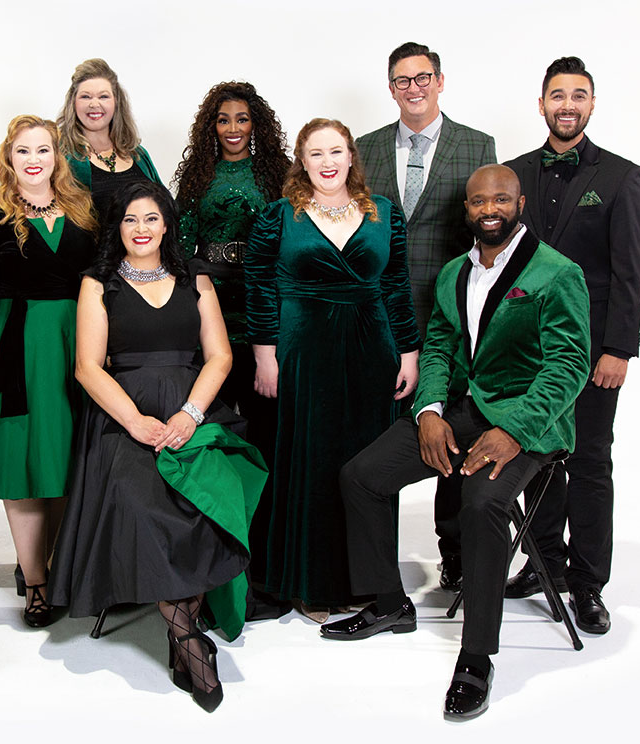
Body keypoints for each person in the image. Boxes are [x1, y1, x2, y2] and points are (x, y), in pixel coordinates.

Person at [321, 165, 590, 721]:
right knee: (361, 476)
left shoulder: (557, 272)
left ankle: (477, 656)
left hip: (533, 423)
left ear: (519, 204)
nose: (489, 209)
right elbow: (440, 347)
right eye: (478, 201)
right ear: (466, 209)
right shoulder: (453, 274)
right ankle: (389, 602)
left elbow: (568, 366)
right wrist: (429, 412)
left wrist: (513, 431)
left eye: (501, 199)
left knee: (483, 502)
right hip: (467, 409)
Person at [49, 182, 266, 713]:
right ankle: (190, 639)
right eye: (130, 220)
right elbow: (87, 367)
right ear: (117, 228)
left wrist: (190, 415)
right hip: (122, 416)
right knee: (144, 506)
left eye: (150, 218)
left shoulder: (196, 277)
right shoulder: (98, 283)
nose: (141, 229)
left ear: (167, 223)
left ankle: (181, 634)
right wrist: (136, 422)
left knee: (208, 498)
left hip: (194, 410)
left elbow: (219, 356)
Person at [246, 118, 420, 620]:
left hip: (372, 352)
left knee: (366, 463)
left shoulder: (384, 213)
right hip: (302, 352)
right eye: (316, 153)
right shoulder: (279, 215)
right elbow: (259, 286)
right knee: (311, 462)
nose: (327, 162)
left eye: (336, 151)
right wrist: (264, 355)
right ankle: (311, 583)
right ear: (302, 161)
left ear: (350, 157)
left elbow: (396, 286)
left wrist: (409, 353)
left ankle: (367, 581)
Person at [502, 57, 640, 635]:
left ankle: (588, 583)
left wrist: (619, 349)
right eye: (558, 95)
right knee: (536, 459)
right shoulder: (513, 173)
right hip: (527, 347)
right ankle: (546, 564)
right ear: (541, 104)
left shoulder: (621, 177)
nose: (568, 105)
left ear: (591, 104)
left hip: (592, 350)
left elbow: (630, 271)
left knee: (589, 462)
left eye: (578, 95)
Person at [0, 116, 97, 628]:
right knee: (23, 466)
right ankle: (35, 583)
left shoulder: (84, 211)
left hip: (75, 345)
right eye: (23, 150)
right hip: (17, 348)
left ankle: (55, 567)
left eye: (43, 150)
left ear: (58, 156)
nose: (34, 159)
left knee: (65, 461)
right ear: (9, 157)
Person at [356, 42, 498, 592]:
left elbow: (485, 233)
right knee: (374, 437)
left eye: (422, 78)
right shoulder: (364, 148)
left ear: (440, 81)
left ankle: (455, 553)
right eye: (402, 80)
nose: (413, 88)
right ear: (391, 88)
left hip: (450, 318)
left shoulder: (477, 145)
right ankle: (371, 560)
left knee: (452, 433)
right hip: (378, 317)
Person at [171, 80, 290, 468]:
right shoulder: (197, 175)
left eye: (242, 119)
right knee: (214, 416)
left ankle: (267, 500)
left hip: (264, 303)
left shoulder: (278, 174)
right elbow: (180, 245)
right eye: (223, 120)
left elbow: (290, 239)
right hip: (212, 302)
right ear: (212, 126)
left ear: (256, 124)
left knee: (266, 418)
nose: (233, 128)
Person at [56, 58, 160, 214]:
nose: (94, 104)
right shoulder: (62, 156)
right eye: (86, 97)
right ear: (73, 103)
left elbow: (164, 208)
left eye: (103, 96)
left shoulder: (138, 154)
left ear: (116, 102)